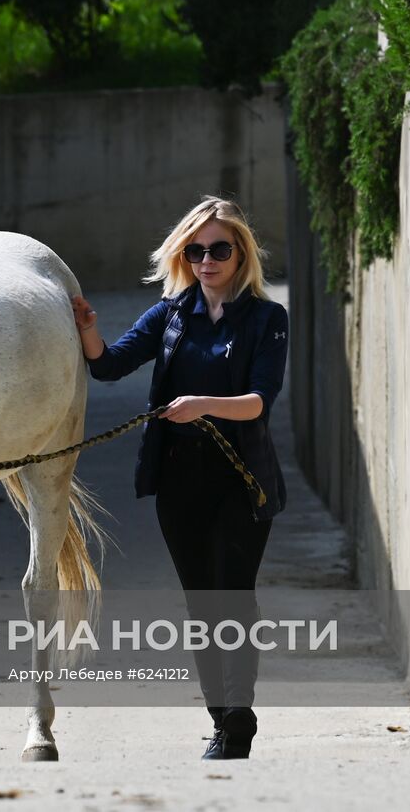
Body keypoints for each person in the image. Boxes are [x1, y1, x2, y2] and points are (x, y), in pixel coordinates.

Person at [71, 196, 287, 761]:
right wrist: (89, 330)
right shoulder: (170, 313)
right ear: (183, 255)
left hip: (242, 477)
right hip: (178, 479)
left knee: (234, 597)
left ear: (241, 253)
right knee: (201, 604)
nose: (207, 260)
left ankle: (239, 718)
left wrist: (200, 404)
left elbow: (259, 403)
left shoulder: (268, 318)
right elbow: (109, 364)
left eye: (219, 249)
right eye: (195, 250)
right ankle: (221, 718)